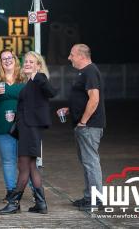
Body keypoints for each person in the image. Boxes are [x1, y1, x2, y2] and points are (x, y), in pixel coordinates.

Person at [0, 51, 57, 215]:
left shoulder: (39, 79)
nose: (27, 64)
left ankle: (14, 203)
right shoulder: (29, 82)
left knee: (23, 167)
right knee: (31, 167)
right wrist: (16, 116)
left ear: (38, 65)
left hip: (30, 129)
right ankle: (41, 204)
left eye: (31, 62)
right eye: (26, 62)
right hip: (26, 128)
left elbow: (51, 92)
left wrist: (38, 75)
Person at [56, 44, 106, 211]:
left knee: (91, 162)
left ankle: (96, 200)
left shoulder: (90, 71)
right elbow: (84, 99)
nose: (69, 58)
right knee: (87, 162)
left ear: (82, 56)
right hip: (84, 126)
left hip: (89, 126)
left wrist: (83, 122)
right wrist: (70, 109)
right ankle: (89, 197)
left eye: (72, 55)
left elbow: (94, 99)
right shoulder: (84, 72)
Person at [0, 50, 24, 202]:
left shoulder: (24, 78)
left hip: (23, 125)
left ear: (15, 59)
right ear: (0, 62)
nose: (7, 60)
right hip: (1, 126)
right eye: (3, 59)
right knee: (8, 160)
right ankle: (11, 192)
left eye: (10, 57)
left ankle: (36, 191)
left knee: (26, 160)